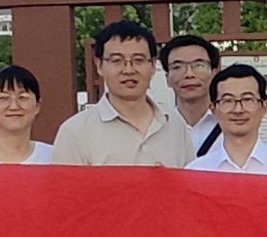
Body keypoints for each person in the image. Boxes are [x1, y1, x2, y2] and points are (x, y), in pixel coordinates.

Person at [53, 22, 192, 167]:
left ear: (152, 65)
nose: (128, 70)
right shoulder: (75, 132)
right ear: (99, 65)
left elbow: (192, 178)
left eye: (138, 60)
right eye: (117, 60)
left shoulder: (175, 124)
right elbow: (65, 182)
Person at [185, 64, 267, 175]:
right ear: (213, 109)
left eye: (247, 99)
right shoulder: (196, 171)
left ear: (264, 107)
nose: (238, 110)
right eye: (228, 100)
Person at [162, 33, 222, 153]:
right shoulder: (158, 126)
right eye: (178, 67)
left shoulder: (231, 123)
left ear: (214, 73)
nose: (189, 74)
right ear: (167, 78)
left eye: (199, 65)